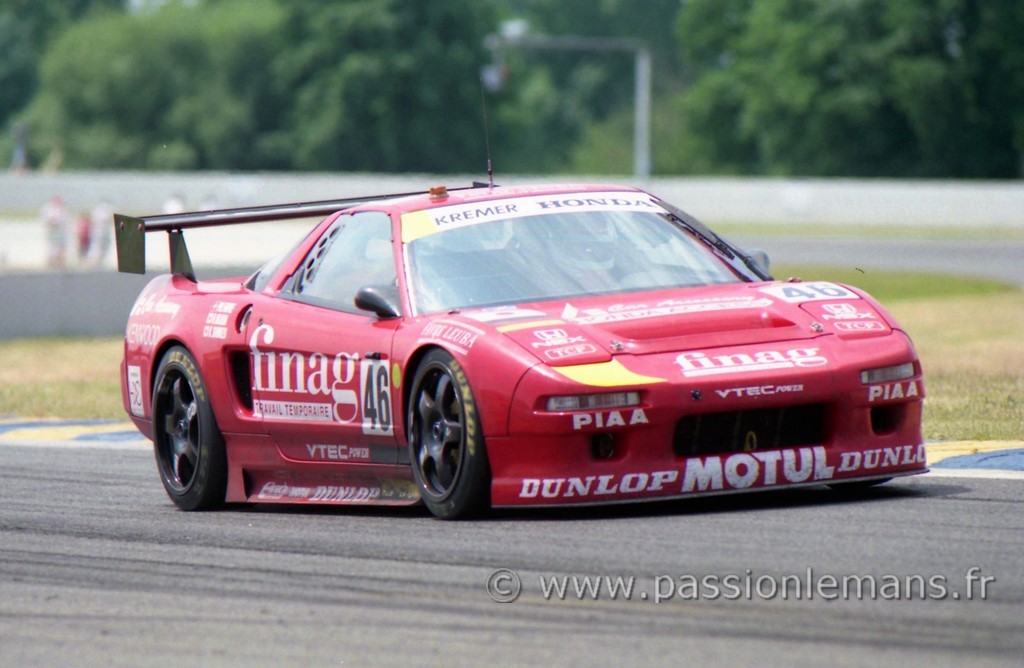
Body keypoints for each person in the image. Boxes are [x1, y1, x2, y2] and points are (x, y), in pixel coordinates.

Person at [41, 195, 69, 269]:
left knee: (61, 248)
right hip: (53, 231)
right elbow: (49, 221)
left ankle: (59, 263)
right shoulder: (48, 209)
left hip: (61, 232)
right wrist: (54, 223)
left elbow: (65, 221)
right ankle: (52, 262)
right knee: (53, 248)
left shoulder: (62, 210)